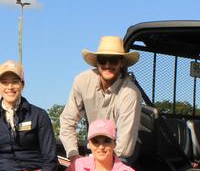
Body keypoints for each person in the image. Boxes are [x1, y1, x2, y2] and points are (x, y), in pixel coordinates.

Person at [59, 36, 142, 164]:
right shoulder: (82, 81)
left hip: (119, 154)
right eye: (103, 60)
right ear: (97, 62)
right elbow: (67, 120)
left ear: (121, 63)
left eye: (113, 60)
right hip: (93, 148)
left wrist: (95, 166)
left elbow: (124, 145)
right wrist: (73, 155)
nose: (107, 65)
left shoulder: (131, 93)